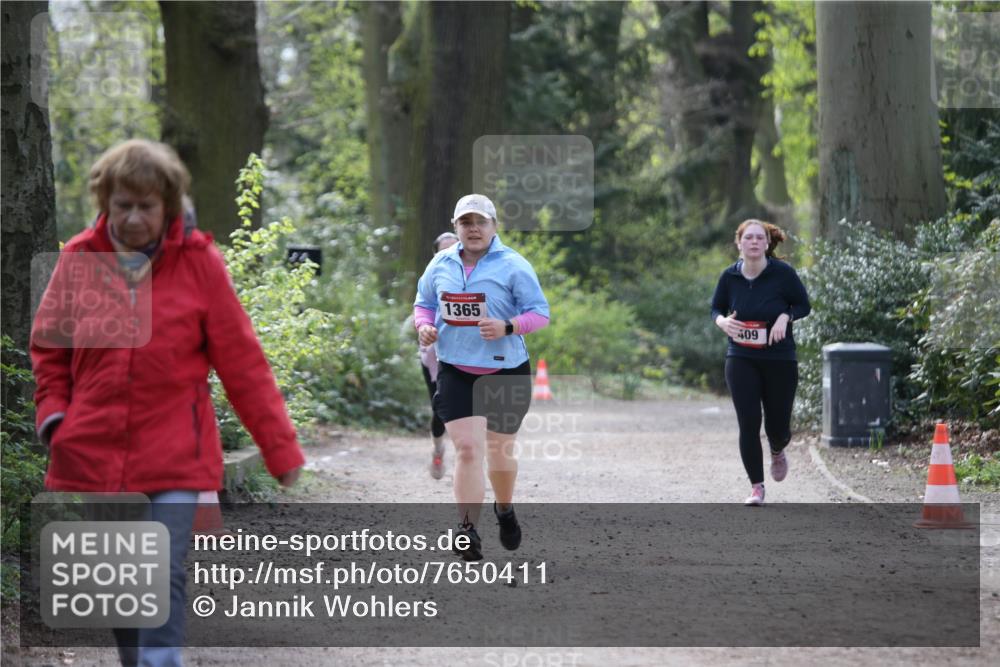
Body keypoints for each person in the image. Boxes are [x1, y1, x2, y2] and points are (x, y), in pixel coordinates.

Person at [30, 139, 304, 666]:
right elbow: (49, 348)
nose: (133, 217)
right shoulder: (77, 260)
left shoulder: (200, 263)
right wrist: (55, 417)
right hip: (95, 451)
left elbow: (243, 364)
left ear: (169, 206)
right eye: (122, 205)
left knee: (161, 569)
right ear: (105, 204)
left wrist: (281, 451)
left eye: (146, 206)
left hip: (176, 452)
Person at [413, 194, 550, 560]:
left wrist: (508, 326)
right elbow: (423, 304)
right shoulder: (440, 263)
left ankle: (504, 509)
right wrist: (425, 327)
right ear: (456, 227)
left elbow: (540, 314)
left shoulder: (513, 265)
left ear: (494, 226)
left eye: (480, 222)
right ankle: (467, 529)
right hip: (456, 368)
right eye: (465, 223)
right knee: (468, 450)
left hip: (506, 371)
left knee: (499, 454)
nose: (473, 229)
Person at [710, 219, 811, 506]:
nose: (754, 242)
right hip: (741, 357)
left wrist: (785, 316)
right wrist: (722, 321)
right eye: (748, 238)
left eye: (759, 238)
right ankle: (757, 487)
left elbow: (803, 305)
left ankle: (778, 449)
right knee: (749, 423)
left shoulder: (783, 274)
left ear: (767, 244)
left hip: (780, 358)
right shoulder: (729, 277)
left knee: (777, 427)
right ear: (739, 243)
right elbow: (716, 307)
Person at [420, 231, 460, 479]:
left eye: (454, 248)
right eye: (443, 250)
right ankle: (438, 449)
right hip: (434, 355)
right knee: (440, 408)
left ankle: (468, 459)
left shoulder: (476, 277)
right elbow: (422, 307)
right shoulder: (431, 277)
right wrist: (425, 327)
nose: (449, 253)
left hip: (467, 354)